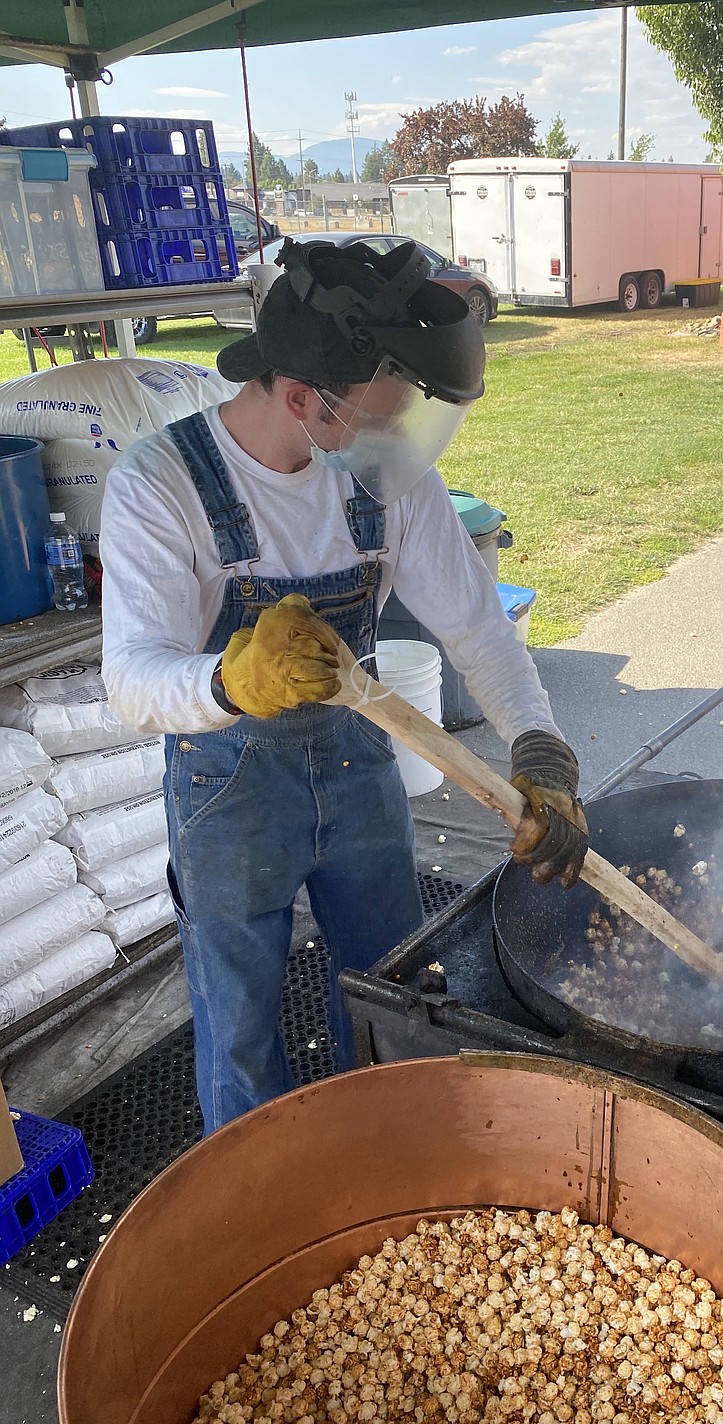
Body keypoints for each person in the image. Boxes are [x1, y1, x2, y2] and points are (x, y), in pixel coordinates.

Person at [100, 238, 588, 1133]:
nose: (397, 444)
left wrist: (538, 744)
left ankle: (387, 1160)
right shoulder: (158, 487)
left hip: (361, 770)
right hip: (227, 785)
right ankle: (257, 1199)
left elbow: (478, 626)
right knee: (240, 1022)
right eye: (380, 420)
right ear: (299, 399)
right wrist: (233, 679)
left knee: (390, 987)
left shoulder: (383, 476)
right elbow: (132, 680)